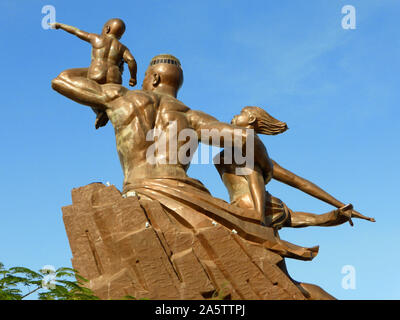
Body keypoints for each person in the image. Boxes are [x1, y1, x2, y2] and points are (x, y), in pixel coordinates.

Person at [214, 106, 375, 229]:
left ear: (250, 119)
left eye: (240, 113)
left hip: (251, 209)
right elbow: (299, 182)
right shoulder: (260, 157)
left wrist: (339, 205)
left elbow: (298, 182)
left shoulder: (249, 146)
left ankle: (260, 216)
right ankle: (331, 217)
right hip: (264, 208)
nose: (234, 116)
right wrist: (338, 207)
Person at [51, 18, 137, 129]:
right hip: (114, 78)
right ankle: (102, 111)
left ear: (107, 29)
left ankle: (99, 110)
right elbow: (131, 61)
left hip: (97, 73)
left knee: (88, 87)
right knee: (96, 89)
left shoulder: (97, 38)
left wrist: (60, 25)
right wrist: (133, 78)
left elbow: (77, 31)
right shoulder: (122, 48)